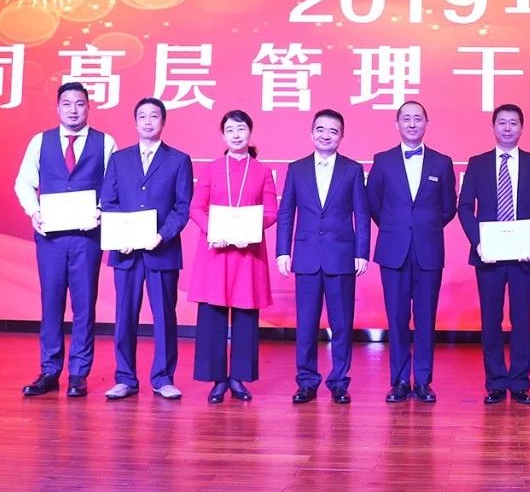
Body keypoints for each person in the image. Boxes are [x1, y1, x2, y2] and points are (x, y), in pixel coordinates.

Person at [15, 81, 116, 398]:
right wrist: (34, 211)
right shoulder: (40, 141)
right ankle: (49, 370)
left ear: (89, 108)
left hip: (87, 237)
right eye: (67, 104)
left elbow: (113, 185)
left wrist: (101, 210)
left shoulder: (105, 142)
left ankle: (78, 374)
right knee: (51, 303)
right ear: (58, 108)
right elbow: (23, 182)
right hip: (51, 238)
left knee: (84, 305)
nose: (74, 110)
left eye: (80, 104)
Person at [457, 103, 530, 406]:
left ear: (522, 128)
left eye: (513, 123)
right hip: (489, 255)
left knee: (522, 319)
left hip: (525, 255)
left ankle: (521, 383)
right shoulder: (478, 163)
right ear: (493, 127)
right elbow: (464, 207)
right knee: (491, 319)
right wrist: (478, 242)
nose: (508, 128)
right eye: (502, 122)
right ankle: (496, 382)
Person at [99, 97, 194, 401]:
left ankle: (163, 378)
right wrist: (119, 234)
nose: (148, 121)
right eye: (142, 116)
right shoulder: (119, 159)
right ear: (135, 122)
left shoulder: (178, 160)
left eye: (154, 116)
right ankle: (125, 378)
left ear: (163, 122)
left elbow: (182, 207)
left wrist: (161, 235)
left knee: (164, 317)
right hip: (125, 251)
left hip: (161, 251)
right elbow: (109, 202)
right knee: (124, 316)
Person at [276, 109, 370, 406]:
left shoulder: (352, 169)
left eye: (333, 131)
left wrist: (362, 252)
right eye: (320, 129)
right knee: (306, 325)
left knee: (341, 324)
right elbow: (286, 212)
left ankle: (339, 382)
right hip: (306, 257)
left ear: (341, 136)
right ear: (311, 133)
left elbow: (362, 214)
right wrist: (283, 251)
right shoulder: (297, 168)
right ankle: (306, 382)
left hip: (341, 256)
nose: (326, 135)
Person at [366, 101, 457, 404]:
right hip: (394, 251)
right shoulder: (383, 160)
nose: (412, 124)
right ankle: (400, 381)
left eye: (418, 118)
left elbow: (448, 207)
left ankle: (424, 381)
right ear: (397, 124)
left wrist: (423, 227)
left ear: (426, 123)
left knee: (425, 318)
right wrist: (397, 227)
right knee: (397, 318)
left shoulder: (442, 162)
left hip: (428, 250)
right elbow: (373, 203)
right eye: (406, 119)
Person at [187, 110, 277, 404]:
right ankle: (217, 379)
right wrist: (213, 230)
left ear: (250, 132)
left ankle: (239, 378)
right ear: (223, 135)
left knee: (245, 314)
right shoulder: (211, 168)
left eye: (241, 129)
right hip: (216, 250)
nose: (236, 135)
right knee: (212, 315)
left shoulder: (262, 170)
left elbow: (271, 212)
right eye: (229, 130)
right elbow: (196, 208)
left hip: (247, 252)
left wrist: (251, 229)